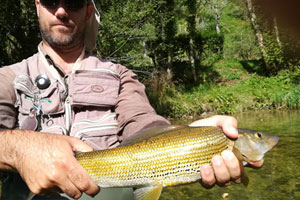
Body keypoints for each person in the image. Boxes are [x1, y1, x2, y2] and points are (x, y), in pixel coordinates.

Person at [0, 0, 263, 199]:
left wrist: (187, 138)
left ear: (89, 11)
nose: (61, 11)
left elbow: (143, 122)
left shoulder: (120, 75)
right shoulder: (8, 77)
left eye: (73, 2)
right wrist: (19, 148)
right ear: (37, 6)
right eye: (50, 1)